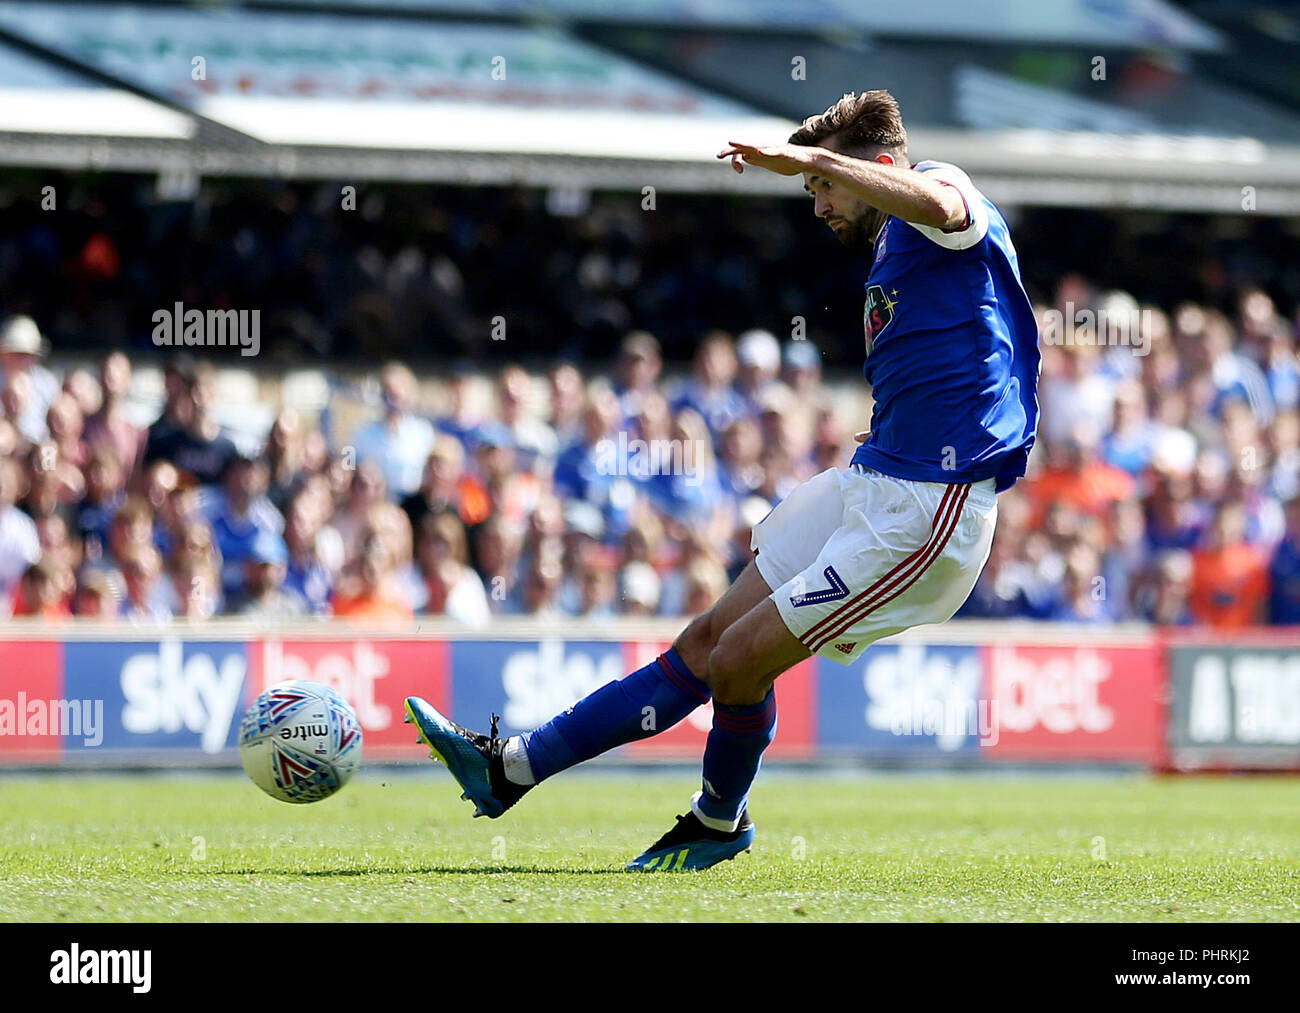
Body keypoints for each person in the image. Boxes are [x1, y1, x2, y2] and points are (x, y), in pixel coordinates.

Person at [403, 89, 1040, 871]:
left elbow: (940, 201)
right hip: (871, 482)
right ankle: (511, 767)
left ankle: (718, 819)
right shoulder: (891, 254)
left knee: (740, 658)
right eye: (813, 189)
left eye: (824, 188)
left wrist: (811, 158)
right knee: (708, 640)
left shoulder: (943, 195)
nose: (818, 205)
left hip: (927, 512)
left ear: (871, 167)